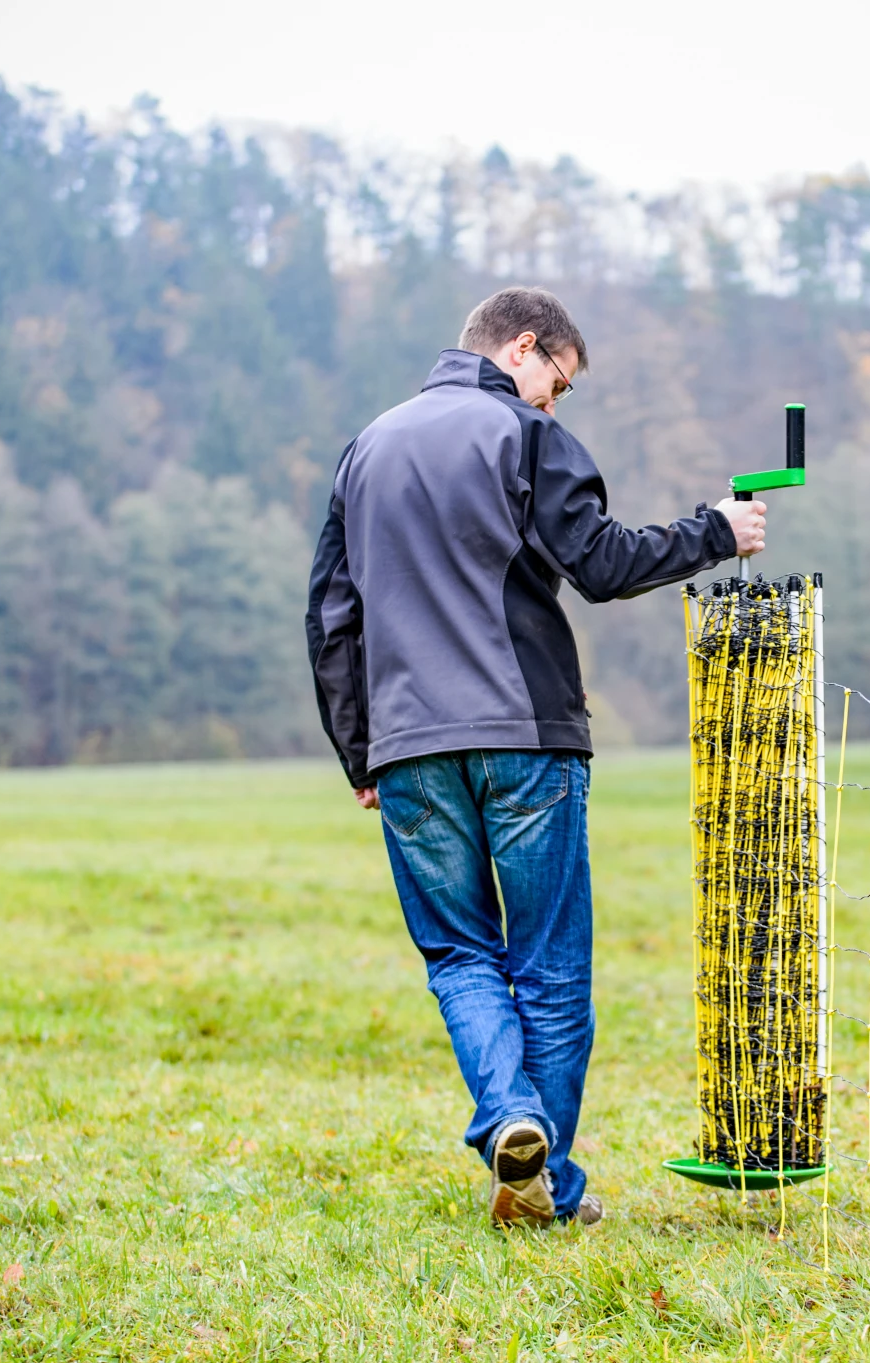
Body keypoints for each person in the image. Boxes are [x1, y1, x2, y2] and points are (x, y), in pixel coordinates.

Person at [306, 287, 766, 1228]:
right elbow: (599, 562)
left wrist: (361, 751)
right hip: (526, 739)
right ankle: (544, 1183)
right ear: (523, 348)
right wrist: (715, 531)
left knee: (458, 953)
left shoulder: (366, 449)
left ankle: (513, 1121)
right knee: (551, 970)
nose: (553, 403)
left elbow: (331, 618)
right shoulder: (522, 435)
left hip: (408, 751)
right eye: (557, 383)